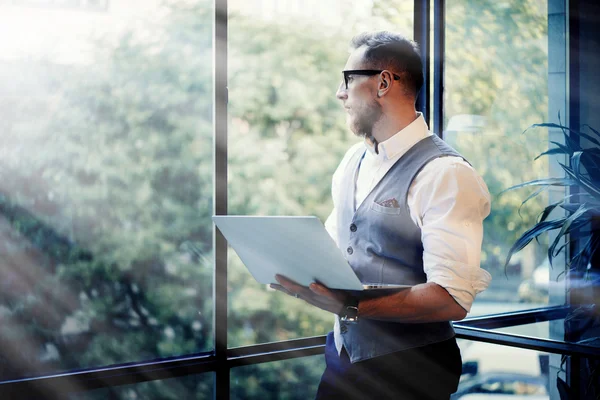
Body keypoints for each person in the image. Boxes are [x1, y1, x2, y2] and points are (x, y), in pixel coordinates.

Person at [271, 31, 492, 400]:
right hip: (342, 359)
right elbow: (339, 251)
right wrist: (291, 268)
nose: (339, 93)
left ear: (384, 83)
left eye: (348, 79)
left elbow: (451, 298)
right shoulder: (351, 162)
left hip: (412, 372)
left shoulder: (445, 173)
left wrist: (349, 304)